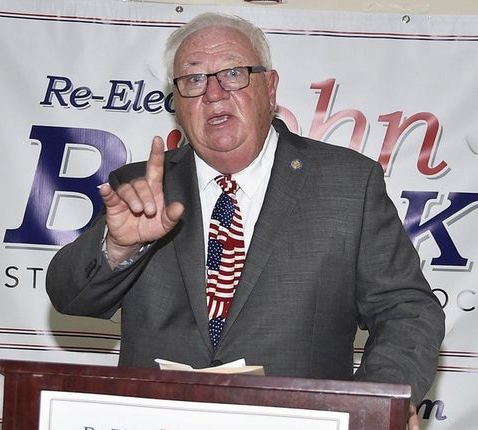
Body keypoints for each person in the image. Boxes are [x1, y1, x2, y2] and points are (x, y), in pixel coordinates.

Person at [46, 12, 444, 429]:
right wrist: (118, 247)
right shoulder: (142, 186)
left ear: (270, 88)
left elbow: (408, 310)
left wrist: (375, 406)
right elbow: (70, 297)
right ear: (177, 103)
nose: (214, 94)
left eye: (233, 73)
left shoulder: (347, 184)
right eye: (194, 80)